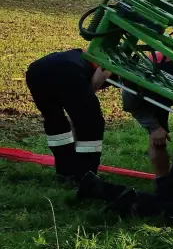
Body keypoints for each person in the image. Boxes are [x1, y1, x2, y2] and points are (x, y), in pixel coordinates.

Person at [24, 48, 110, 182]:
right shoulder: (113, 60)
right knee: (91, 124)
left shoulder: (86, 53)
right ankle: (86, 177)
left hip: (37, 71)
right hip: (69, 71)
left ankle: (65, 172)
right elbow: (100, 76)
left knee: (55, 120)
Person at [122, 52, 173, 178]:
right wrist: (154, 128)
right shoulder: (131, 85)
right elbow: (133, 107)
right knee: (157, 141)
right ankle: (163, 182)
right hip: (154, 92)